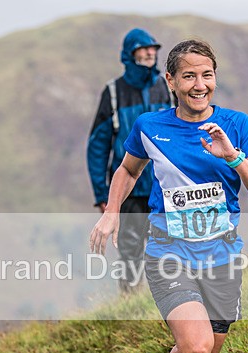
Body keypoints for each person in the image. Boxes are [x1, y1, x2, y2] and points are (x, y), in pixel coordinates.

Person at [90, 39, 248, 353]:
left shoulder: (238, 124)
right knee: (195, 348)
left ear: (215, 78)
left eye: (206, 75)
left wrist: (233, 157)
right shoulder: (150, 127)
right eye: (189, 76)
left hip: (222, 259)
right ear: (170, 81)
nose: (199, 84)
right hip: (169, 253)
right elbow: (127, 169)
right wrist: (111, 212)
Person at [86, 28, 173, 293]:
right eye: (143, 49)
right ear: (129, 54)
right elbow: (97, 147)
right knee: (130, 252)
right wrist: (103, 195)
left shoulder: (166, 87)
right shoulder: (113, 93)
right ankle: (131, 306)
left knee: (170, 252)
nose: (150, 53)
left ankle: (171, 302)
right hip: (128, 191)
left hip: (165, 186)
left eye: (153, 49)